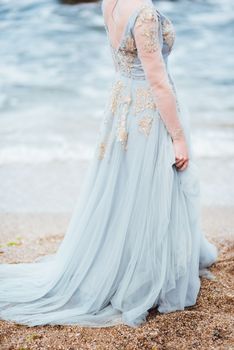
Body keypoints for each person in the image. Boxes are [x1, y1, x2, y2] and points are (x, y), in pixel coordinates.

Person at [0, 0, 218, 328]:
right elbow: (158, 82)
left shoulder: (110, 1)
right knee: (147, 194)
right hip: (148, 112)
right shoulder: (144, 13)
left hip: (122, 104)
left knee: (123, 191)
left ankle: (122, 263)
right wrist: (178, 136)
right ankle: (143, 277)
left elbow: (121, 59)